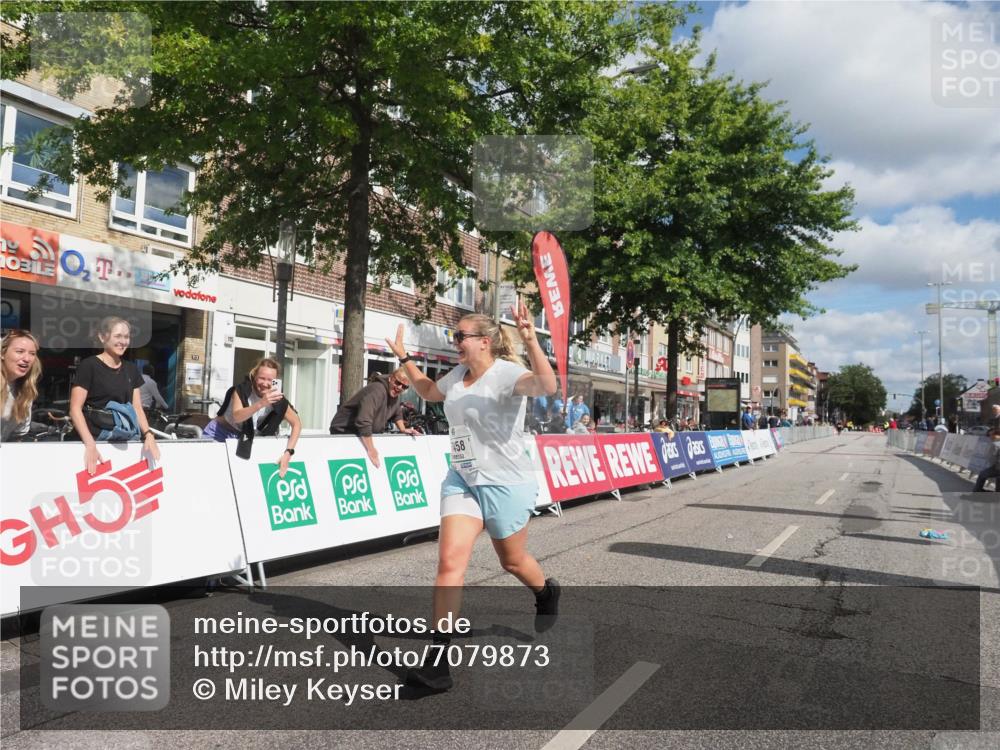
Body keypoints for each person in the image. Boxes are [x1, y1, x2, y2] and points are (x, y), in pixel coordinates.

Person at [385, 303, 559, 692]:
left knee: (512, 561)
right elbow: (429, 391)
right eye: (454, 336)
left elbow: (547, 387)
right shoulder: (458, 374)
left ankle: (545, 592)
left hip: (506, 483)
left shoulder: (507, 375)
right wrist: (405, 358)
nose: (455, 341)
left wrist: (531, 340)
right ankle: (438, 664)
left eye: (460, 336)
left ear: (485, 342)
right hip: (462, 478)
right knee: (449, 563)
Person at [69, 317, 160, 475]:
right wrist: (90, 444)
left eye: (126, 337)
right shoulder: (89, 366)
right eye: (118, 336)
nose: (123, 341)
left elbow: (137, 407)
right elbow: (75, 409)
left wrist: (148, 434)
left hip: (123, 441)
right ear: (102, 337)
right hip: (94, 441)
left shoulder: (131, 369)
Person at [205, 358, 301, 476]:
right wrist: (261, 403)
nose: (265, 383)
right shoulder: (241, 390)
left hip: (244, 438)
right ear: (254, 376)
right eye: (262, 378)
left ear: (276, 381)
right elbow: (237, 417)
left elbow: (296, 424)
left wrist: (288, 453)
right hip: (219, 433)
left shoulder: (277, 399)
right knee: (210, 474)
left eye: (270, 380)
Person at [329, 367, 419, 467]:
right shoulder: (377, 390)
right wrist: (371, 449)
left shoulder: (394, 395)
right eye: (397, 383)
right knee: (350, 467)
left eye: (404, 387)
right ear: (390, 378)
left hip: (360, 433)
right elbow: (363, 420)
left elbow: (397, 412)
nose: (400, 388)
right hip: (344, 431)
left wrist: (403, 429)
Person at [1, 329, 41, 442]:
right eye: (19, 351)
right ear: (2, 354)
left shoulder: (26, 391)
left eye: (32, 354)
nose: (27, 359)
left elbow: (17, 436)